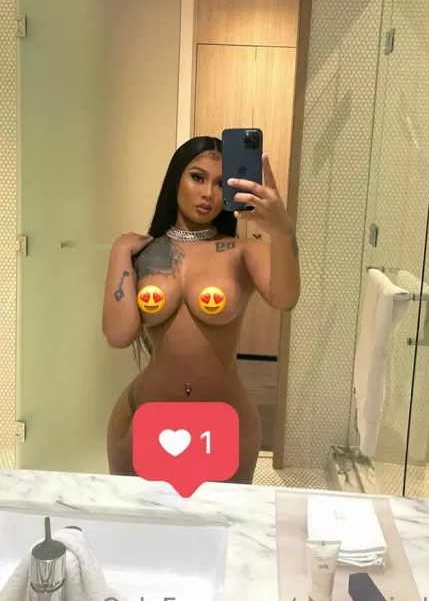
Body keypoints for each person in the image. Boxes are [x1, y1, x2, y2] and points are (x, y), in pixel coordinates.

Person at [102, 135, 300, 483]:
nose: (209, 192)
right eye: (197, 177)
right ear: (175, 179)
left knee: (223, 519)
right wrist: (119, 252)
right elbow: (119, 336)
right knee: (141, 518)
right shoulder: (143, 251)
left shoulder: (243, 250)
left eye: (221, 183)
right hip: (143, 420)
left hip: (225, 428)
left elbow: (285, 298)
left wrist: (282, 231)